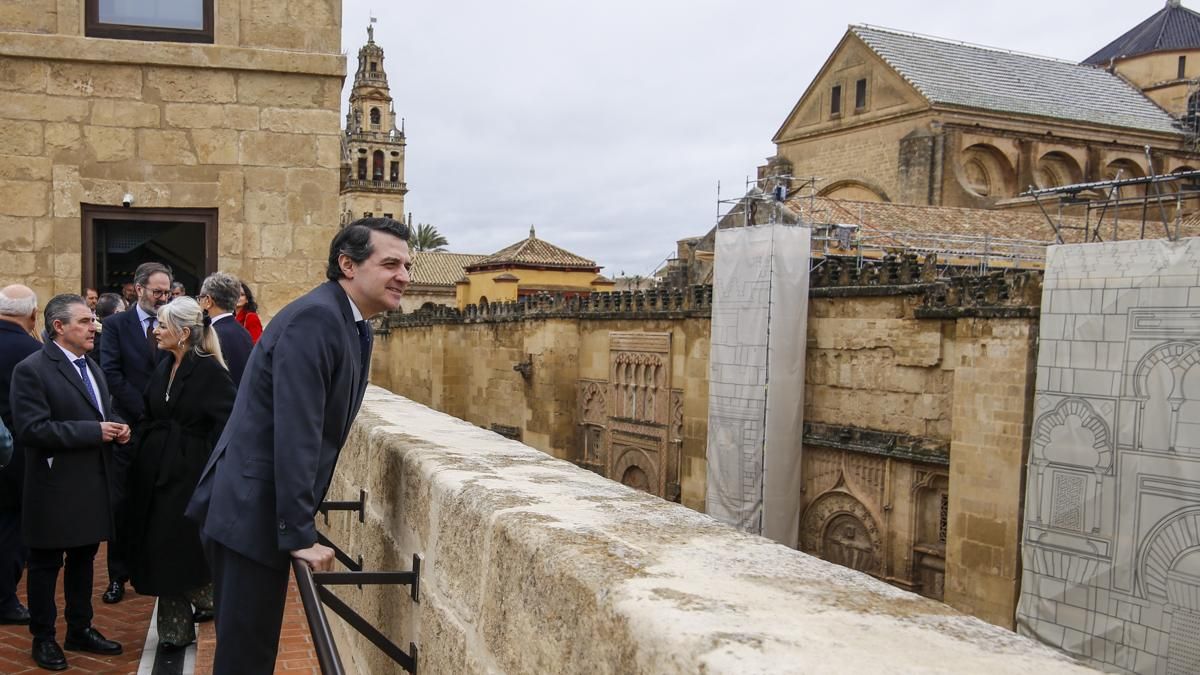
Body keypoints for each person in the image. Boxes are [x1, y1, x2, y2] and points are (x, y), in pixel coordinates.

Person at [186, 217, 411, 674]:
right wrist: (299, 532)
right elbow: (296, 428)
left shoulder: (351, 323)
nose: (404, 276)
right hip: (249, 510)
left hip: (256, 507)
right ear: (347, 264)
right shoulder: (317, 318)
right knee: (245, 657)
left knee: (251, 650)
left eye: (407, 264)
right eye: (390, 263)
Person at [11, 294, 131, 671]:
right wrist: (95, 431)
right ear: (58, 327)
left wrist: (117, 427)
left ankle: (80, 628)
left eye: (93, 319)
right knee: (46, 567)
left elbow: (102, 411)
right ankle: (43, 637)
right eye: (84, 321)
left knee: (82, 561)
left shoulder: (91, 367)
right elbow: (32, 429)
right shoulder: (32, 369)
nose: (94, 326)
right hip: (52, 488)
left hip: (91, 484)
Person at [127, 298, 234, 650]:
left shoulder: (209, 370)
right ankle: (174, 631)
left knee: (176, 548)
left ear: (184, 333)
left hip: (188, 474)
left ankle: (217, 601)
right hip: (155, 471)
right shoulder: (164, 364)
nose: (155, 331)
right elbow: (150, 408)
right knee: (159, 548)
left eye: (162, 326)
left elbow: (228, 424)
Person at [99, 261, 172, 604]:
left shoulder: (173, 324)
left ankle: (154, 570)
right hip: (128, 428)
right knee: (121, 503)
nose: (162, 298)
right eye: (157, 291)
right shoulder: (115, 326)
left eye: (167, 292)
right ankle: (117, 576)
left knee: (160, 503)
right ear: (138, 289)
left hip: (164, 432)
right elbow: (112, 373)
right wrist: (145, 411)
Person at [0, 285, 40, 628]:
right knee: (12, 527)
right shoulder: (30, 351)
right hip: (14, 455)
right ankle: (4, 599)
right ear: (32, 314)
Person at [198, 273, 253, 387]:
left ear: (208, 301)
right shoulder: (244, 332)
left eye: (200, 298)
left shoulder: (210, 334)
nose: (199, 303)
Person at [89, 293, 126, 359]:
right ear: (117, 313)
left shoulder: (90, 337)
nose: (126, 315)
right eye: (124, 311)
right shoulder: (110, 340)